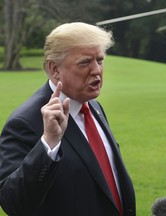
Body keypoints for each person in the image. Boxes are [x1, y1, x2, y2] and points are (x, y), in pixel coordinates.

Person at [0, 22, 135, 216]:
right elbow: (14, 203)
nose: (96, 70)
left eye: (100, 60)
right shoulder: (25, 122)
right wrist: (48, 144)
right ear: (54, 69)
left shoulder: (94, 107)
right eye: (85, 62)